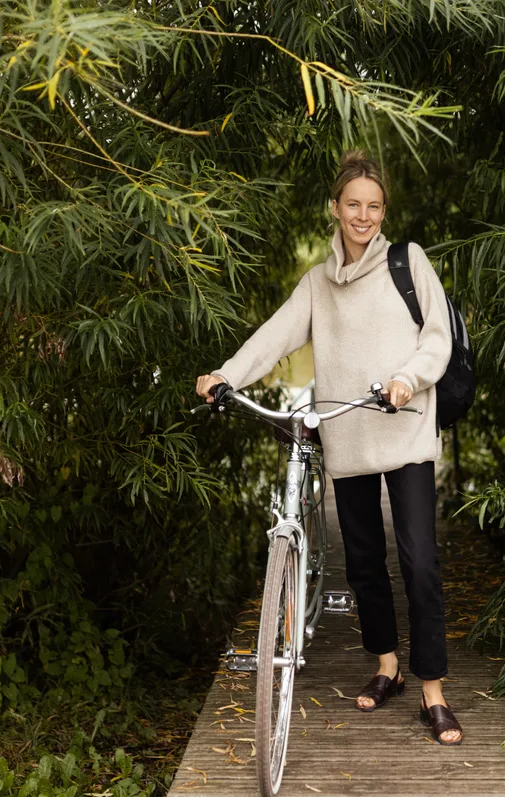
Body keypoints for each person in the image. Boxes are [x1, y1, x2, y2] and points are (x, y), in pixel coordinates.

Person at [194, 150, 462, 746]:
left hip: (406, 428)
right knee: (364, 563)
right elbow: (274, 336)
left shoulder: (407, 262)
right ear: (335, 210)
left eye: (373, 206)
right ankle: (387, 666)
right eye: (352, 205)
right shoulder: (318, 284)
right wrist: (225, 373)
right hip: (348, 434)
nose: (363, 215)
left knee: (419, 561)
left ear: (382, 210)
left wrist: (406, 379)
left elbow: (437, 340)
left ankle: (433, 691)